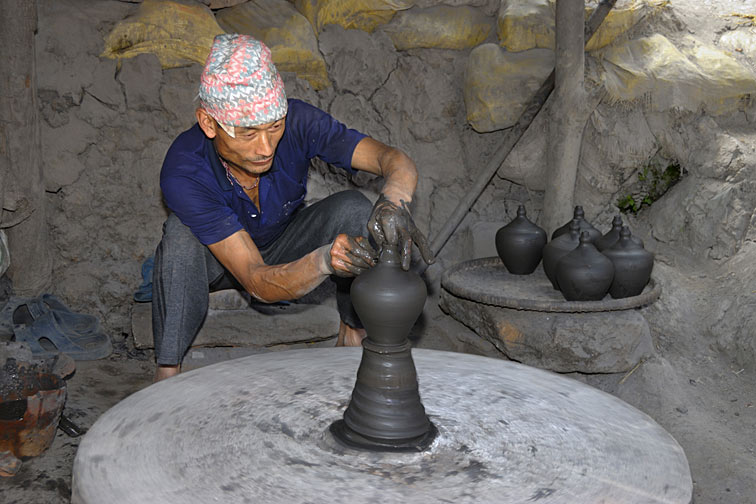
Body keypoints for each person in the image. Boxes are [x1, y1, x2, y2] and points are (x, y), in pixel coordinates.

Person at [151, 34, 434, 381]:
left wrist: (394, 202)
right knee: (179, 238)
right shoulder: (185, 169)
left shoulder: (298, 121)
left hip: (283, 238)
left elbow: (393, 159)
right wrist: (324, 260)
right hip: (220, 261)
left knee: (354, 209)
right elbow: (256, 280)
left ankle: (353, 334)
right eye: (249, 133)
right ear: (209, 123)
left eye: (274, 127)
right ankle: (168, 371)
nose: (266, 147)